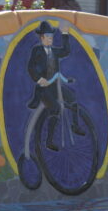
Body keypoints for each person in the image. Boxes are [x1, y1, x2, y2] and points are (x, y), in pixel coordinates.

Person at [27, 21, 84, 151]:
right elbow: (30, 67)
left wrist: (64, 34)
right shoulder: (37, 50)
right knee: (56, 108)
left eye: (51, 37)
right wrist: (39, 79)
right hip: (43, 89)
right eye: (47, 37)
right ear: (41, 38)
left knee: (72, 98)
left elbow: (66, 51)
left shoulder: (54, 51)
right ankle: (49, 141)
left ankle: (75, 125)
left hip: (54, 86)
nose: (50, 39)